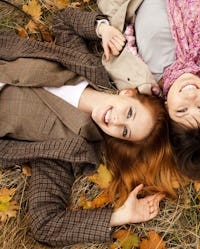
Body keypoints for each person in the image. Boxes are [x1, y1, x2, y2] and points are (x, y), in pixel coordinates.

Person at [0, 17, 182, 247]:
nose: (116, 122)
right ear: (127, 94)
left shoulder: (73, 147)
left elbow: (44, 223)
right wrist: (103, 29)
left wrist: (119, 216)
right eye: (129, 114)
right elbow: (62, 21)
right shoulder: (88, 68)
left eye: (124, 132)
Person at [95, 0, 200, 198]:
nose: (190, 96)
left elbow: (115, 26)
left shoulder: (141, 78)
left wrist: (105, 29)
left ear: (167, 109)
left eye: (182, 110)